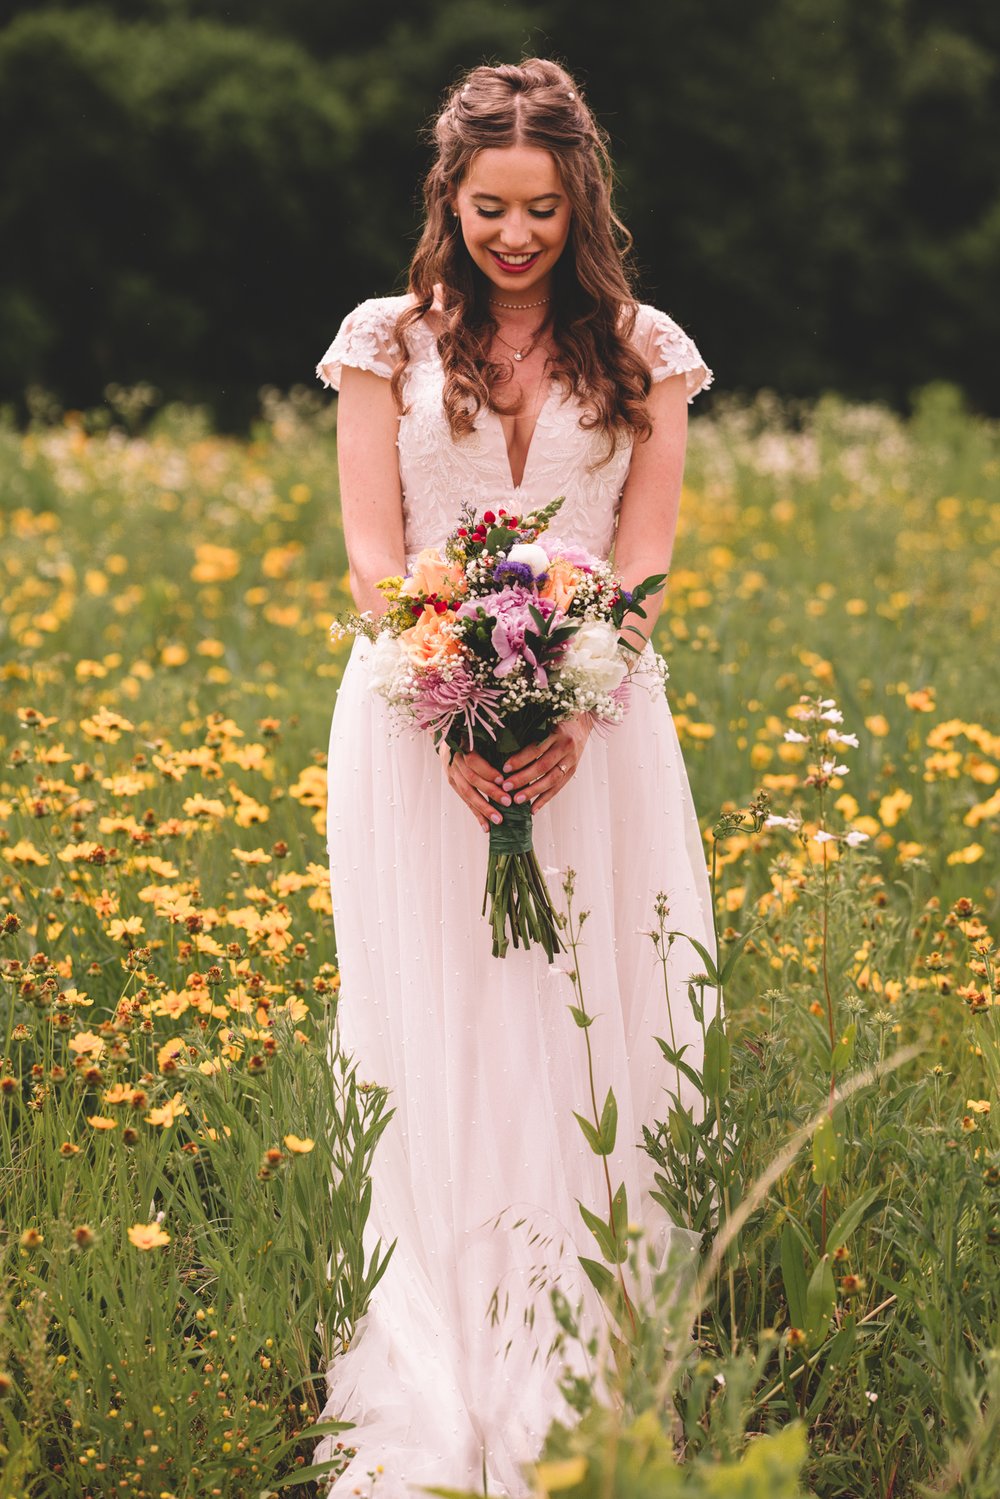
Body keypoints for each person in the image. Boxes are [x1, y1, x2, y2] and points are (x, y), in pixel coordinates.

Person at [312, 56, 718, 1499]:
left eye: (543, 208)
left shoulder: (646, 352)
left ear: (580, 200)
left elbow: (648, 559)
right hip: (417, 730)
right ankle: (440, 1354)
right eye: (491, 207)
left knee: (575, 1034)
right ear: (452, 196)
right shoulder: (387, 344)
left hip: (594, 734)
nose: (517, 236)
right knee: (439, 1030)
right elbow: (372, 553)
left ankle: (574, 1354)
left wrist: (568, 708)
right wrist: (449, 697)